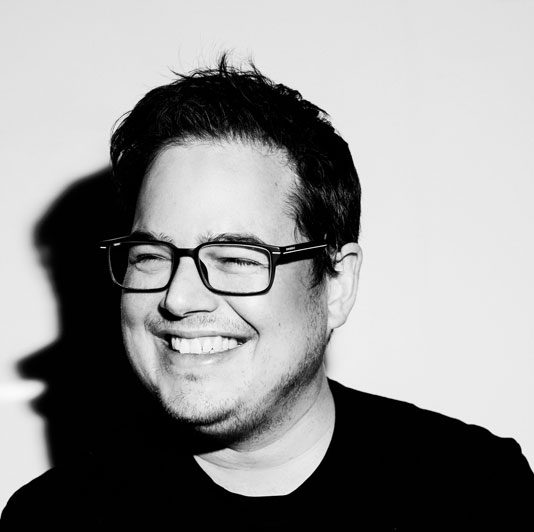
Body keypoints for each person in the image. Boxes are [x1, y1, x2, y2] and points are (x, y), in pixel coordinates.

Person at [2, 56, 533, 530]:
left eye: (236, 258)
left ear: (337, 284)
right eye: (151, 256)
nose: (178, 299)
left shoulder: (476, 491)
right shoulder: (52, 523)